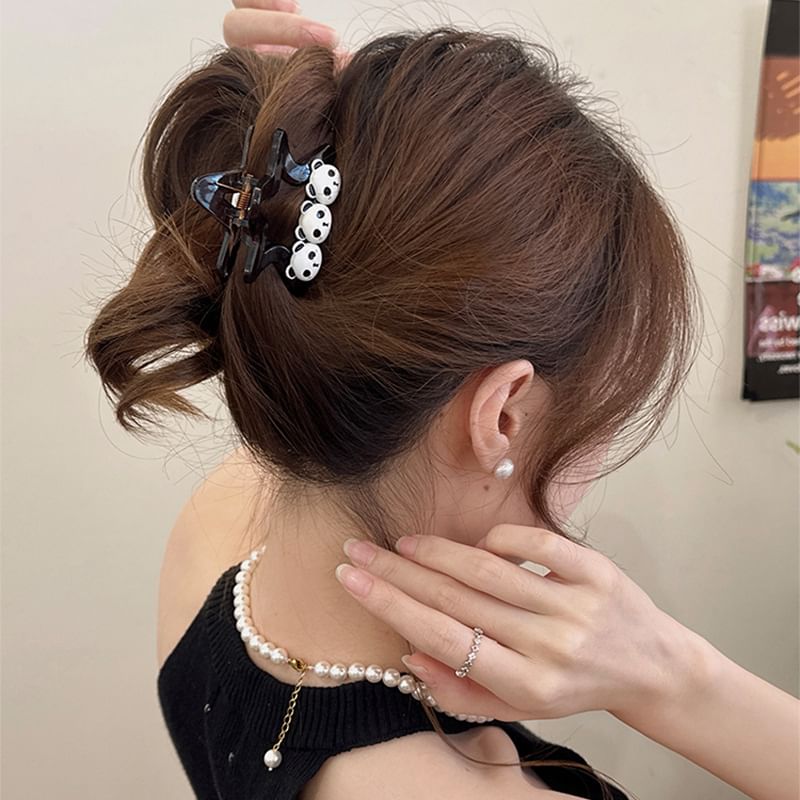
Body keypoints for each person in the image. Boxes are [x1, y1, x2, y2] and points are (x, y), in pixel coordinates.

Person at [84, 5, 800, 800]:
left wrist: (317, 153)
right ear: (503, 414)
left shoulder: (217, 529)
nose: (600, 457)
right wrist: (677, 681)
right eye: (606, 414)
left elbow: (321, 316)